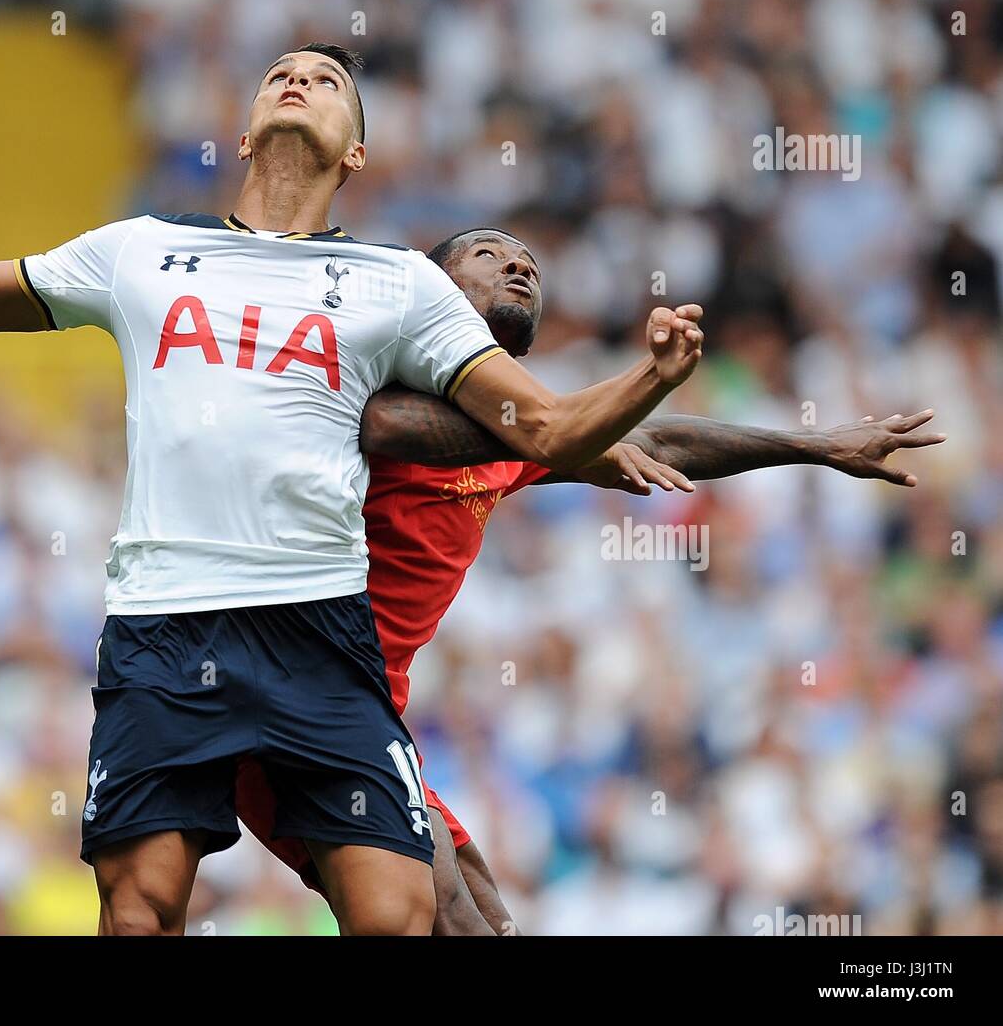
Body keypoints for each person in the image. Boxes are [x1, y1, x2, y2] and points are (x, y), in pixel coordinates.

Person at [0, 44, 705, 937]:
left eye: (326, 79)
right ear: (246, 130)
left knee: (398, 916)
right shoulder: (141, 250)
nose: (298, 80)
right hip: (166, 622)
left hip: (321, 631)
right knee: (140, 914)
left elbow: (542, 429)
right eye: (280, 74)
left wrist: (651, 377)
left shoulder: (401, 284)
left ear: (359, 148)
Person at [236, 226, 946, 934]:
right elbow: (385, 426)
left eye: (531, 263)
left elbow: (659, 442)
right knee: (438, 912)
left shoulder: (517, 436)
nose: (517, 262)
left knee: (485, 912)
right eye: (487, 254)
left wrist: (818, 445)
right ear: (431, 289)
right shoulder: (376, 376)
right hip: (294, 694)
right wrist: (563, 422)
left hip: (365, 708)